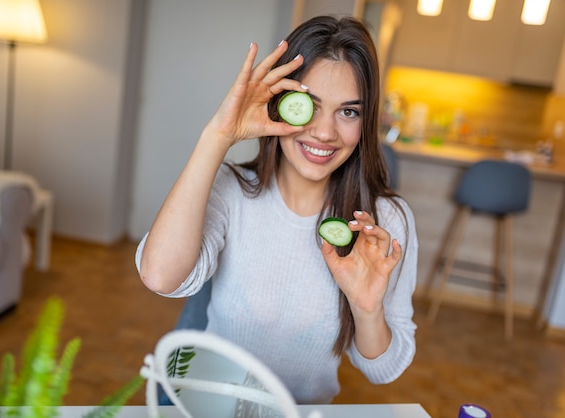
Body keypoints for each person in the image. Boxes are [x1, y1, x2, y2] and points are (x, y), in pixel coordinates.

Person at [135, 15, 418, 404]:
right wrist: (218, 135)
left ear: (364, 120)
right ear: (280, 104)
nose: (324, 132)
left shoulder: (385, 221)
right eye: (310, 105)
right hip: (204, 407)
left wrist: (367, 308)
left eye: (348, 112)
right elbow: (159, 276)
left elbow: (381, 369)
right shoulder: (233, 192)